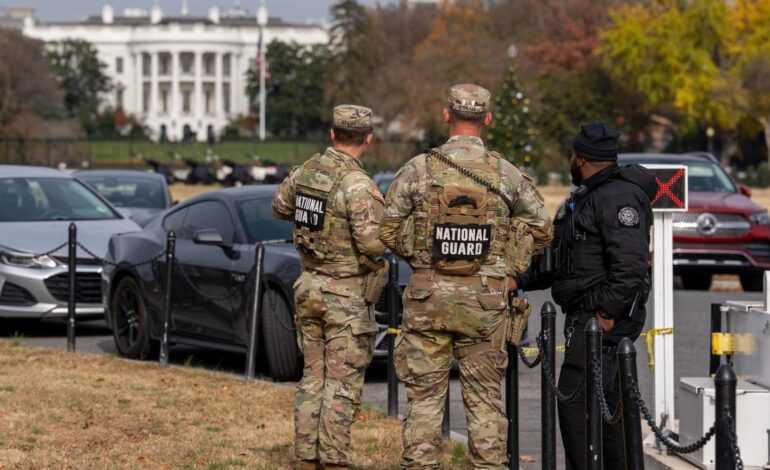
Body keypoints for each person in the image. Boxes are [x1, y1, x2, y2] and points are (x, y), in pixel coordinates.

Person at [379, 84, 553, 469]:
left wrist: (424, 258)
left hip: (428, 303)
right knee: (485, 404)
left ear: (447, 115)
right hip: (485, 304)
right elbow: (541, 227)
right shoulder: (506, 173)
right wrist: (504, 269)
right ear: (487, 119)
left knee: (423, 403)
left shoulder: (418, 169)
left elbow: (388, 228)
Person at [517, 122, 657, 469]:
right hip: (586, 317)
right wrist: (517, 279)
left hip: (602, 323)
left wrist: (605, 315)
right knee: (606, 411)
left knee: (576, 404)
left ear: (579, 158)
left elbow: (630, 267)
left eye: (571, 154)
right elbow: (559, 260)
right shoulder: (585, 197)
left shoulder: (619, 197)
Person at [272, 104, 387, 470]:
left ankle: (307, 455)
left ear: (333, 133)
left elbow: (279, 206)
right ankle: (334, 460)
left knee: (313, 377)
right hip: (345, 295)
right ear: (368, 139)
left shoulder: (307, 172)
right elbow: (371, 244)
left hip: (309, 287)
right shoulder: (358, 185)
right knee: (341, 382)